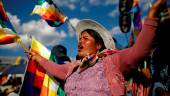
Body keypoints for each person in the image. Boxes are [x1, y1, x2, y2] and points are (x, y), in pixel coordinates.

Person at [26, 0, 166, 95]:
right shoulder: (73, 67)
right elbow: (54, 68)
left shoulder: (113, 61)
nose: (80, 42)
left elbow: (140, 50)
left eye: (85, 38)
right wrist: (37, 58)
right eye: (79, 39)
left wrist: (152, 14)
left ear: (99, 45)